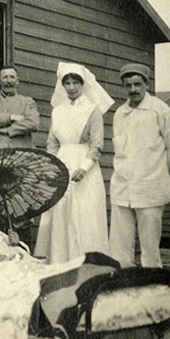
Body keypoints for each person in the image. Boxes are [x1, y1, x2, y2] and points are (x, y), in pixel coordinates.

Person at [34, 63, 114, 263]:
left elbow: (97, 145)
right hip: (61, 164)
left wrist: (84, 168)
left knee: (82, 216)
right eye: (67, 83)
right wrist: (51, 166)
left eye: (75, 82)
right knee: (61, 214)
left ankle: (86, 264)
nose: (71, 87)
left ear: (82, 84)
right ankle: (59, 262)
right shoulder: (58, 111)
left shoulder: (92, 110)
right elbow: (52, 142)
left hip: (83, 166)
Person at [109, 63, 170, 268]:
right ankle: (123, 290)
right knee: (119, 250)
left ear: (146, 84)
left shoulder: (160, 111)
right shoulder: (120, 114)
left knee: (150, 251)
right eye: (128, 85)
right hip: (122, 190)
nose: (133, 90)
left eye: (137, 84)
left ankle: (154, 290)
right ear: (123, 86)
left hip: (150, 190)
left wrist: (161, 177)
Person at [0, 65, 40, 151]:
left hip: (21, 154)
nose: (9, 81)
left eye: (12, 77)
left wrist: (8, 130)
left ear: (17, 81)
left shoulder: (27, 102)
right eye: (5, 77)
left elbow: (34, 123)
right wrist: (10, 117)